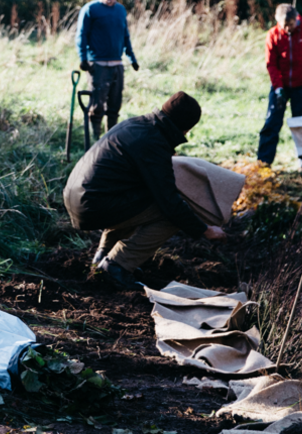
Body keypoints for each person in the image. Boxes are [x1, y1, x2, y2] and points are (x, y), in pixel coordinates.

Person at [63, 91, 225, 289]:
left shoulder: (140, 124)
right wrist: (204, 229)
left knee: (142, 200)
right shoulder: (154, 143)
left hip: (79, 197)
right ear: (184, 128)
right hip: (93, 205)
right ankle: (117, 266)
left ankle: (104, 255)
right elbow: (170, 202)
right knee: (170, 215)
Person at [257, 4, 302, 171]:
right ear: (278, 21)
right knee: (272, 122)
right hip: (280, 85)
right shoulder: (273, 35)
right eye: (285, 25)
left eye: (291, 24)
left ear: (296, 19)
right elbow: (271, 64)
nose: (289, 28)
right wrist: (278, 88)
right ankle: (264, 163)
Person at [75, 0, 139, 139]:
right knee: (97, 105)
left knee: (114, 106)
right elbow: (82, 35)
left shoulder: (120, 10)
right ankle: (95, 139)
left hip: (116, 64)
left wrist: (131, 58)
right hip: (98, 64)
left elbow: (125, 36)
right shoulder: (91, 9)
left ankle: (110, 140)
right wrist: (83, 58)